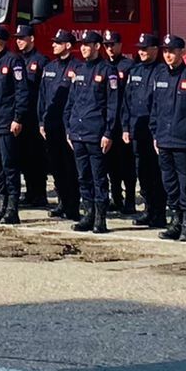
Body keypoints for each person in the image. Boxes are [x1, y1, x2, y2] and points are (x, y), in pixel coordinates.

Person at [149, 36, 186, 242]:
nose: (168, 55)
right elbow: (154, 108)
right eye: (165, 52)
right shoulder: (160, 75)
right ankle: (176, 220)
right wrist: (155, 133)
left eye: (172, 51)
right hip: (163, 138)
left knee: (185, 183)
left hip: (184, 140)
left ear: (181, 52)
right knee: (169, 183)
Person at [64, 30, 119, 235]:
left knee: (98, 177)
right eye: (83, 45)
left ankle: (100, 218)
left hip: (96, 133)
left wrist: (108, 133)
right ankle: (87, 214)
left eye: (88, 44)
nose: (84, 48)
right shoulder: (78, 69)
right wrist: (69, 128)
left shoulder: (107, 70)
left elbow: (113, 105)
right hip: (78, 132)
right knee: (83, 176)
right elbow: (71, 101)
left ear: (98, 47)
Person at [0, 26, 28, 225]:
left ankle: (12, 208)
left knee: (10, 166)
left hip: (7, 122)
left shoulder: (14, 61)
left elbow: (21, 92)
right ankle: (1, 204)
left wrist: (18, 118)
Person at [121, 32, 165, 229]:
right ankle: (148, 209)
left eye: (145, 49)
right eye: (140, 49)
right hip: (137, 130)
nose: (142, 52)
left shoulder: (163, 72)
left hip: (155, 131)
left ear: (155, 50)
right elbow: (127, 102)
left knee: (157, 173)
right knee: (143, 173)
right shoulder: (135, 71)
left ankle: (160, 212)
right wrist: (125, 127)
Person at [36, 29, 78, 221]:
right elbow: (42, 97)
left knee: (70, 167)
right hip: (51, 125)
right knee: (56, 167)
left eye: (57, 42)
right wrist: (41, 121)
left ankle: (73, 206)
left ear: (68, 45)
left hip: (68, 127)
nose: (53, 45)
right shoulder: (50, 67)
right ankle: (61, 202)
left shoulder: (77, 68)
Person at [15, 25, 48, 209]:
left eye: (22, 37)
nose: (19, 41)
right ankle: (29, 192)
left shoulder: (41, 61)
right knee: (24, 157)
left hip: (36, 116)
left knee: (37, 157)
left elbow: (44, 91)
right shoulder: (16, 60)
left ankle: (40, 193)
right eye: (17, 38)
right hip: (22, 116)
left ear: (31, 39)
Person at [105, 29, 137, 215]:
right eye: (107, 45)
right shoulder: (102, 66)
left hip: (124, 122)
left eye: (112, 45)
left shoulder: (128, 66)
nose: (110, 48)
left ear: (120, 45)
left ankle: (130, 200)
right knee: (111, 165)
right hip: (109, 124)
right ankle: (116, 197)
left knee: (127, 165)